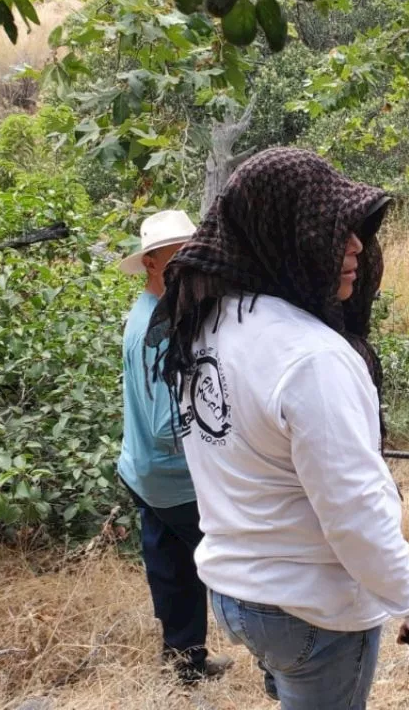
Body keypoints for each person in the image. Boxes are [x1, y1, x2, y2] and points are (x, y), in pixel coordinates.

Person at [150, 148, 409, 709]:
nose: (357, 247)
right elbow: (354, 516)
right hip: (309, 607)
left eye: (355, 230)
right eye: (333, 230)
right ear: (283, 235)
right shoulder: (310, 357)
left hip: (235, 593)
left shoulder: (205, 327)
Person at [117, 210, 233, 685]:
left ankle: (186, 665)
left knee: (172, 569)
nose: (189, 263)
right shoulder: (158, 330)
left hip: (143, 472)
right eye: (176, 256)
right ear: (149, 262)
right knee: (234, 565)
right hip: (173, 478)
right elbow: (169, 427)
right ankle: (280, 663)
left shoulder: (147, 315)